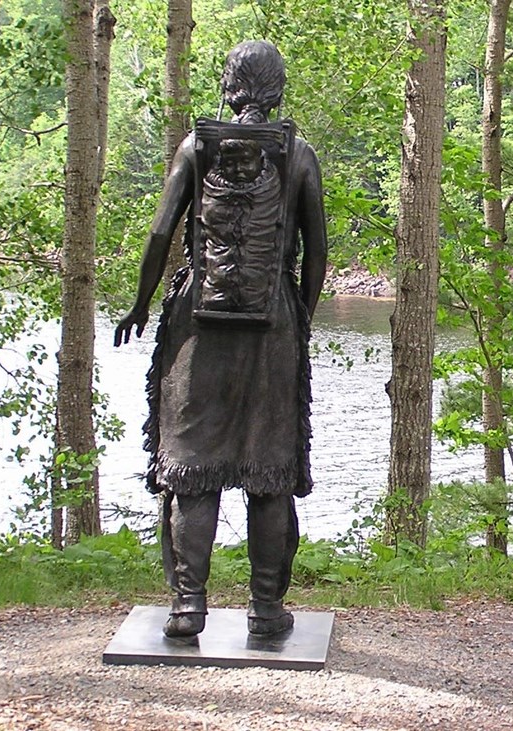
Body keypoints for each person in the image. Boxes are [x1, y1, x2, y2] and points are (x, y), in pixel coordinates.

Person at [114, 40, 328, 638]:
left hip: (197, 328)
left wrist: (139, 302)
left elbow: (161, 232)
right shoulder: (299, 154)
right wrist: (300, 319)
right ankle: (264, 609)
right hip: (273, 328)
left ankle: (188, 605)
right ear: (276, 89)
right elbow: (317, 252)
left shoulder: (196, 146)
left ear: (229, 87)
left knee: (193, 467)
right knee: (269, 468)